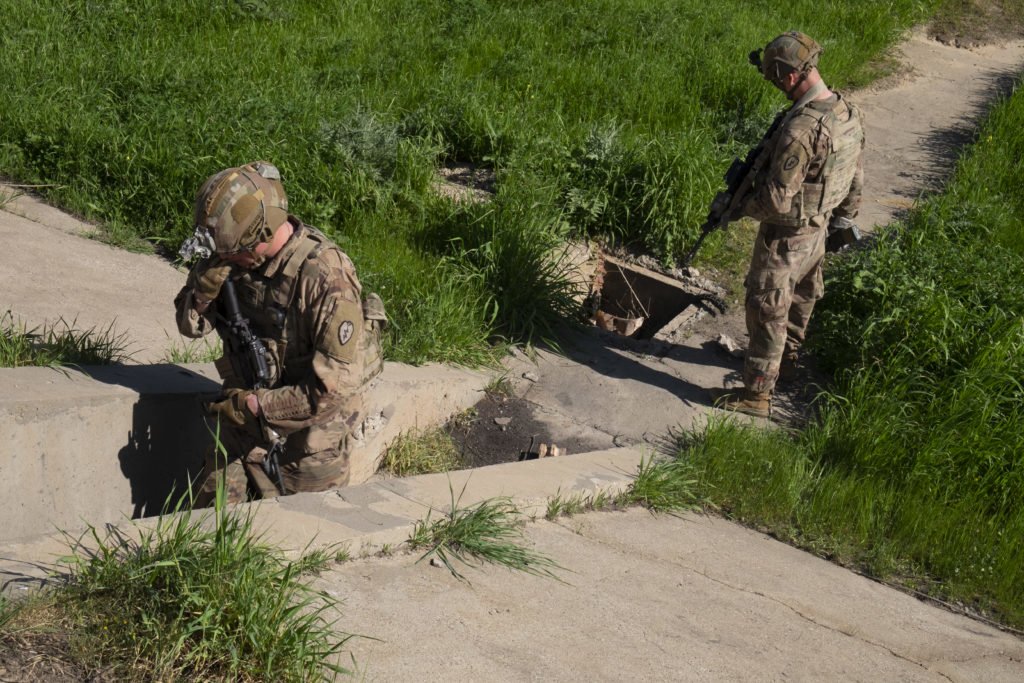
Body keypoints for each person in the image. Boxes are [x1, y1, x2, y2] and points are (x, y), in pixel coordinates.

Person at [174, 161, 385, 505]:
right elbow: (190, 327)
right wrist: (201, 295)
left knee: (302, 541)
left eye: (238, 253)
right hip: (242, 425)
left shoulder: (324, 277)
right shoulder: (228, 251)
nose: (232, 260)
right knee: (207, 527)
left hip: (308, 442)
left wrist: (258, 406)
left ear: (264, 232)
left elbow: (329, 391)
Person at [710, 31, 865, 418]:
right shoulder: (845, 111)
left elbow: (777, 200)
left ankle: (756, 395)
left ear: (790, 75)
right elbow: (855, 176)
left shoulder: (801, 130)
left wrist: (738, 206)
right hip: (819, 228)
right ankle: (787, 363)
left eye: (776, 79)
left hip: (788, 235)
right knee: (800, 299)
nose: (777, 87)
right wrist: (842, 219)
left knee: (766, 305)